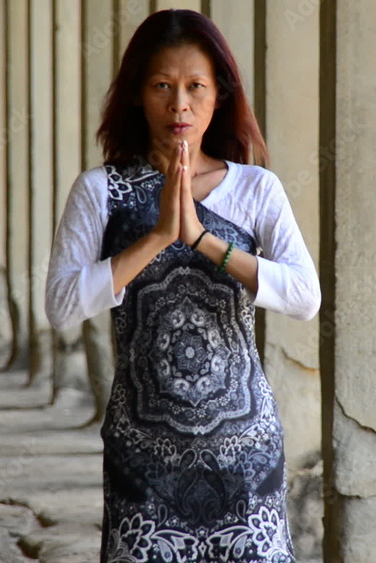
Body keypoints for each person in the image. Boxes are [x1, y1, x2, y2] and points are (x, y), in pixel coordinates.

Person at [44, 8, 320, 562]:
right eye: (161, 86)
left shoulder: (255, 188)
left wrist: (203, 241)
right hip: (143, 456)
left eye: (196, 86)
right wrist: (157, 238)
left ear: (220, 95)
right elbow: (61, 305)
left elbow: (304, 296)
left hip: (245, 452)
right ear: (136, 95)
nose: (179, 105)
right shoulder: (100, 191)